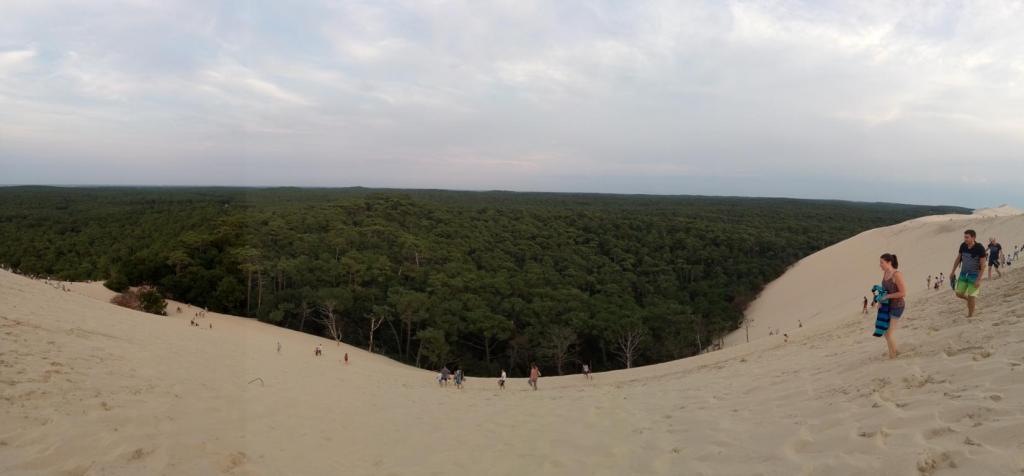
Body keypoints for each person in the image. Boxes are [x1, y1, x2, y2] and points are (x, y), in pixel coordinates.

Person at [873, 253, 907, 359]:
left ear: (889, 262)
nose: (880, 265)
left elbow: (903, 293)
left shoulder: (896, 275)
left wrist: (887, 296)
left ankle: (893, 356)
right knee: (886, 332)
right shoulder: (885, 273)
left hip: (897, 306)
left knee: (889, 333)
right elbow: (884, 291)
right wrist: (880, 301)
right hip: (887, 306)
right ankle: (893, 352)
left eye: (882, 263)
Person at [951, 229, 987, 317]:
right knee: (958, 293)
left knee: (972, 296)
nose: (965, 239)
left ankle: (970, 315)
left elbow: (983, 265)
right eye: (964, 237)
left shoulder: (979, 248)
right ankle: (968, 299)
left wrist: (978, 280)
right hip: (963, 274)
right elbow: (958, 258)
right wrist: (953, 271)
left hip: (974, 275)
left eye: (967, 237)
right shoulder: (963, 245)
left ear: (973, 238)